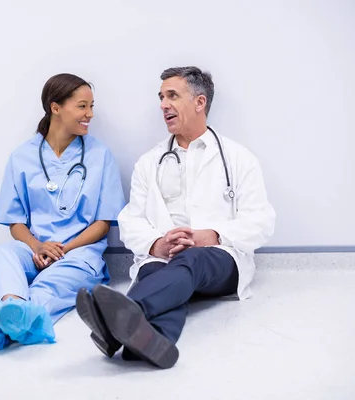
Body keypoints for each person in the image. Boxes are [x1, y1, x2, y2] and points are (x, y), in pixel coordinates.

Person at [76, 66, 276, 368]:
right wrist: (157, 244)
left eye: (172, 95)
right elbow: (131, 219)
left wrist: (214, 235)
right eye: (161, 97)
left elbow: (262, 221)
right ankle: (149, 342)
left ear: (199, 102)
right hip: (163, 258)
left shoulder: (238, 158)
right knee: (157, 274)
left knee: (192, 259)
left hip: (220, 258)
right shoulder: (149, 162)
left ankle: (120, 317)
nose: (163, 105)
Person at [0, 73, 126, 352]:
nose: (90, 114)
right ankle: (12, 306)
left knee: (47, 287)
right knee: (0, 254)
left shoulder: (100, 156)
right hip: (35, 249)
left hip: (79, 254)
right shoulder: (22, 156)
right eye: (82, 106)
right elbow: (15, 223)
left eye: (91, 106)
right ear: (56, 108)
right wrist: (38, 246)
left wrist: (62, 249)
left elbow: (103, 224)